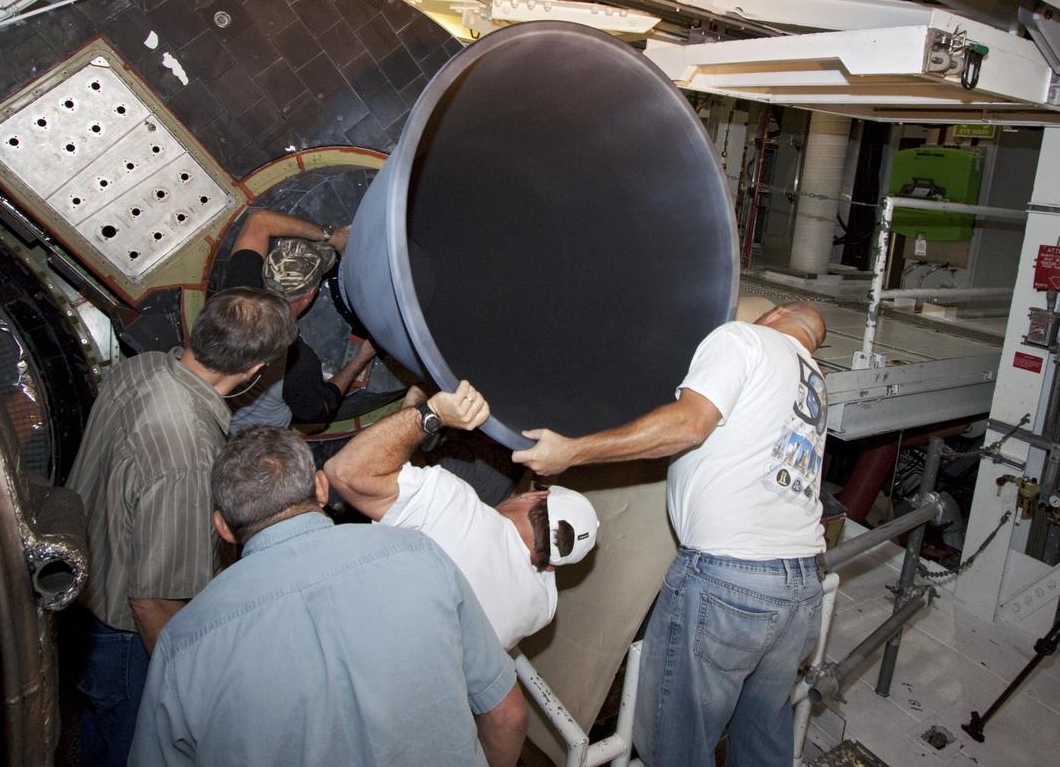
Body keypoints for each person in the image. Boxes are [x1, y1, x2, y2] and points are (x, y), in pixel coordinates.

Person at [512, 301, 829, 767]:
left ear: (775, 313)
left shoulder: (743, 338)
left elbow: (689, 424)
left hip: (730, 582)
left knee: (673, 748)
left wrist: (571, 452)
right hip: (800, 588)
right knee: (763, 740)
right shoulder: (815, 380)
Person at [130, 418, 529, 767]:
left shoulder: (184, 644)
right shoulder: (420, 553)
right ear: (321, 488)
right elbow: (507, 715)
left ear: (223, 527)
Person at [65, 288, 297, 767]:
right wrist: (191, 693)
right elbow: (153, 602)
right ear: (254, 371)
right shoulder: (187, 455)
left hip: (83, 594)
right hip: (124, 639)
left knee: (96, 732)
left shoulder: (141, 366)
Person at [324, 380, 599, 649]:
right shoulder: (541, 610)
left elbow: (344, 472)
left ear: (535, 497)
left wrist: (431, 412)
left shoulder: (454, 506)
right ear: (550, 567)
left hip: (336, 625)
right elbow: (544, 548)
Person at [221, 208, 376, 429]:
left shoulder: (235, 293)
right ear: (311, 294)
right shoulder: (297, 363)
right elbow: (318, 409)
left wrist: (332, 238)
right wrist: (362, 358)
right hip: (244, 434)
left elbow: (258, 220)